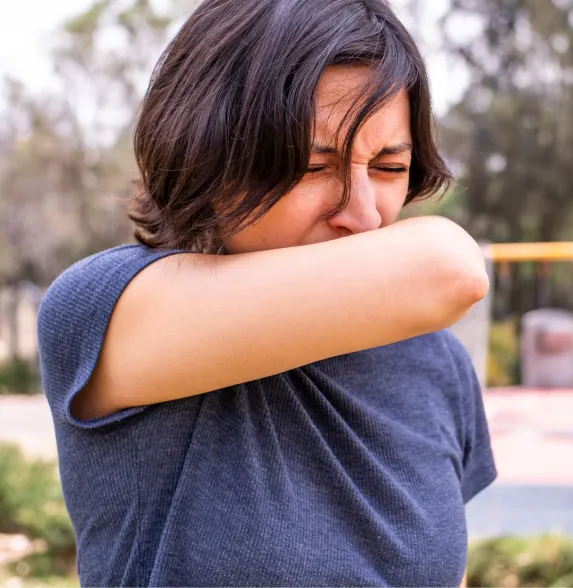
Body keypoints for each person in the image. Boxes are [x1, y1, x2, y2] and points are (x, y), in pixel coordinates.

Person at [36, 1, 496, 586]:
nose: (361, 214)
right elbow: (449, 266)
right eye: (311, 165)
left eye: (388, 167)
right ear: (205, 152)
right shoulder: (108, 311)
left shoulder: (437, 362)